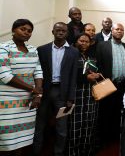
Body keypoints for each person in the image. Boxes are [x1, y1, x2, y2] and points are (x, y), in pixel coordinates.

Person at [33, 22, 79, 156]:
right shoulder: (41, 50)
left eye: (63, 31)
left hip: (62, 94)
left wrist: (71, 98)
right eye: (57, 30)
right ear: (52, 31)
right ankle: (36, 151)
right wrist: (37, 93)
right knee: (39, 125)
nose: (60, 32)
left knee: (62, 127)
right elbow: (37, 72)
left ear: (67, 33)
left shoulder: (73, 51)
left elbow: (73, 76)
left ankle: (58, 153)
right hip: (44, 92)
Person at [0, 19, 43, 154]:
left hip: (28, 102)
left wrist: (37, 94)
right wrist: (33, 89)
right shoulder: (4, 48)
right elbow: (5, 75)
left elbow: (38, 71)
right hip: (7, 101)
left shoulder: (32, 49)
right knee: (6, 140)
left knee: (22, 139)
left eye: (29, 31)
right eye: (22, 29)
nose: (26, 33)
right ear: (13, 30)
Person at [96, 23, 125, 145]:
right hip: (108, 84)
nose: (119, 31)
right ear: (112, 31)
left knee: (117, 112)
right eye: (117, 29)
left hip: (122, 85)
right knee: (105, 112)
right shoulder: (102, 46)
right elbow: (98, 65)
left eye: (122, 29)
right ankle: (104, 139)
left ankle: (115, 137)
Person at [68, 33, 100, 155]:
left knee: (89, 125)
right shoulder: (70, 55)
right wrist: (86, 77)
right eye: (81, 41)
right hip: (76, 95)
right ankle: (73, 152)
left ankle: (86, 151)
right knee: (75, 125)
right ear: (76, 42)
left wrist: (96, 75)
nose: (84, 43)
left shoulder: (92, 57)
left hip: (91, 96)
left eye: (87, 41)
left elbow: (95, 72)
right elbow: (69, 75)